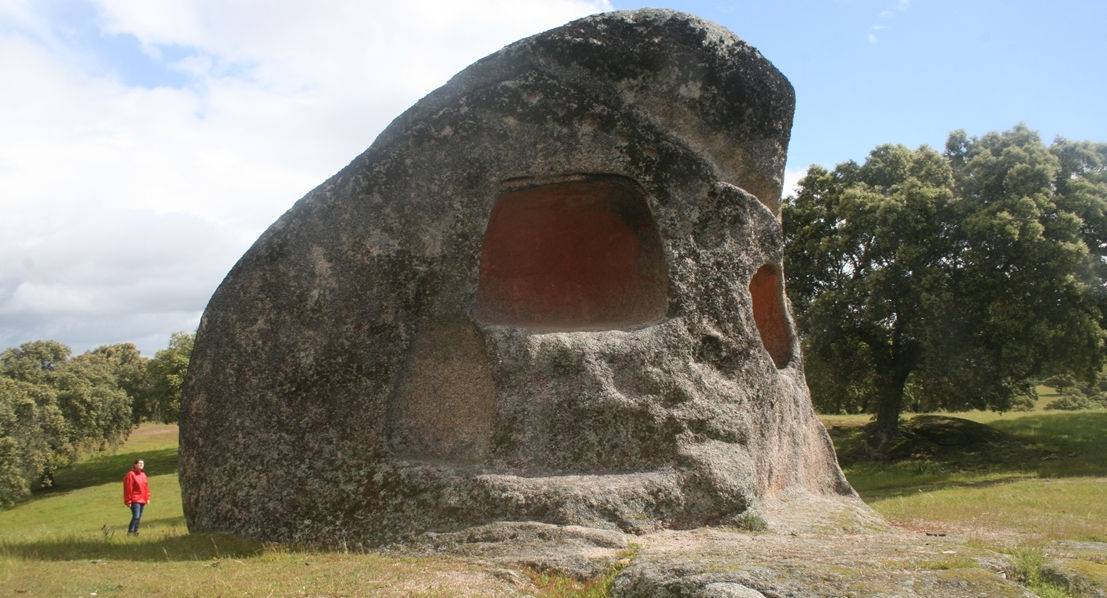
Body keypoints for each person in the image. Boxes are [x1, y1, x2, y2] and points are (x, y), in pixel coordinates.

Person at [123, 459, 150, 535]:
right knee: (136, 515)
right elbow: (128, 488)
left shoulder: (143, 475)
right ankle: (130, 531)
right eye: (139, 463)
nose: (141, 465)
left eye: (142, 463)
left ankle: (136, 531)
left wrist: (147, 497)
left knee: (139, 516)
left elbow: (146, 487)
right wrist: (128, 501)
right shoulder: (131, 475)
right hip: (135, 499)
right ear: (135, 465)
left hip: (142, 499)